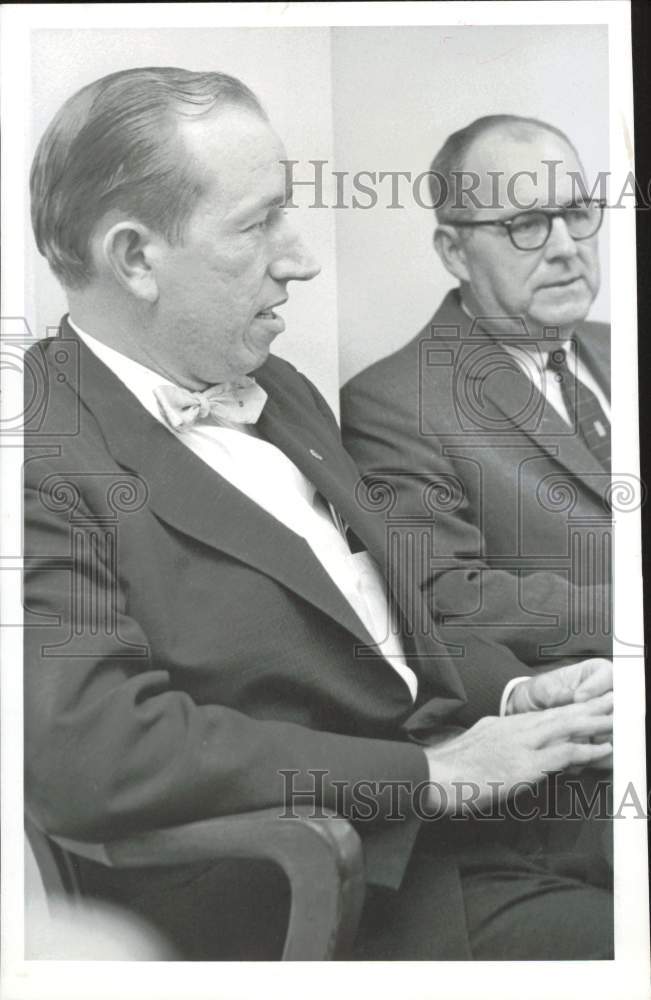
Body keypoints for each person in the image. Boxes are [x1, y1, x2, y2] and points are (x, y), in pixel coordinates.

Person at [25, 75, 613, 962]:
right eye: (259, 225)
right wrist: (433, 773)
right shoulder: (37, 451)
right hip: (333, 890)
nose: (300, 259)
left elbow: (390, 623)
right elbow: (89, 748)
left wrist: (513, 691)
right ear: (136, 257)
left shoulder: (280, 389)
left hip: (483, 822)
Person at [341, 114, 612, 670]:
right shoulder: (390, 405)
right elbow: (449, 596)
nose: (566, 247)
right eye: (526, 224)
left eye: (577, 213)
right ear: (454, 252)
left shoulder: (622, 344)